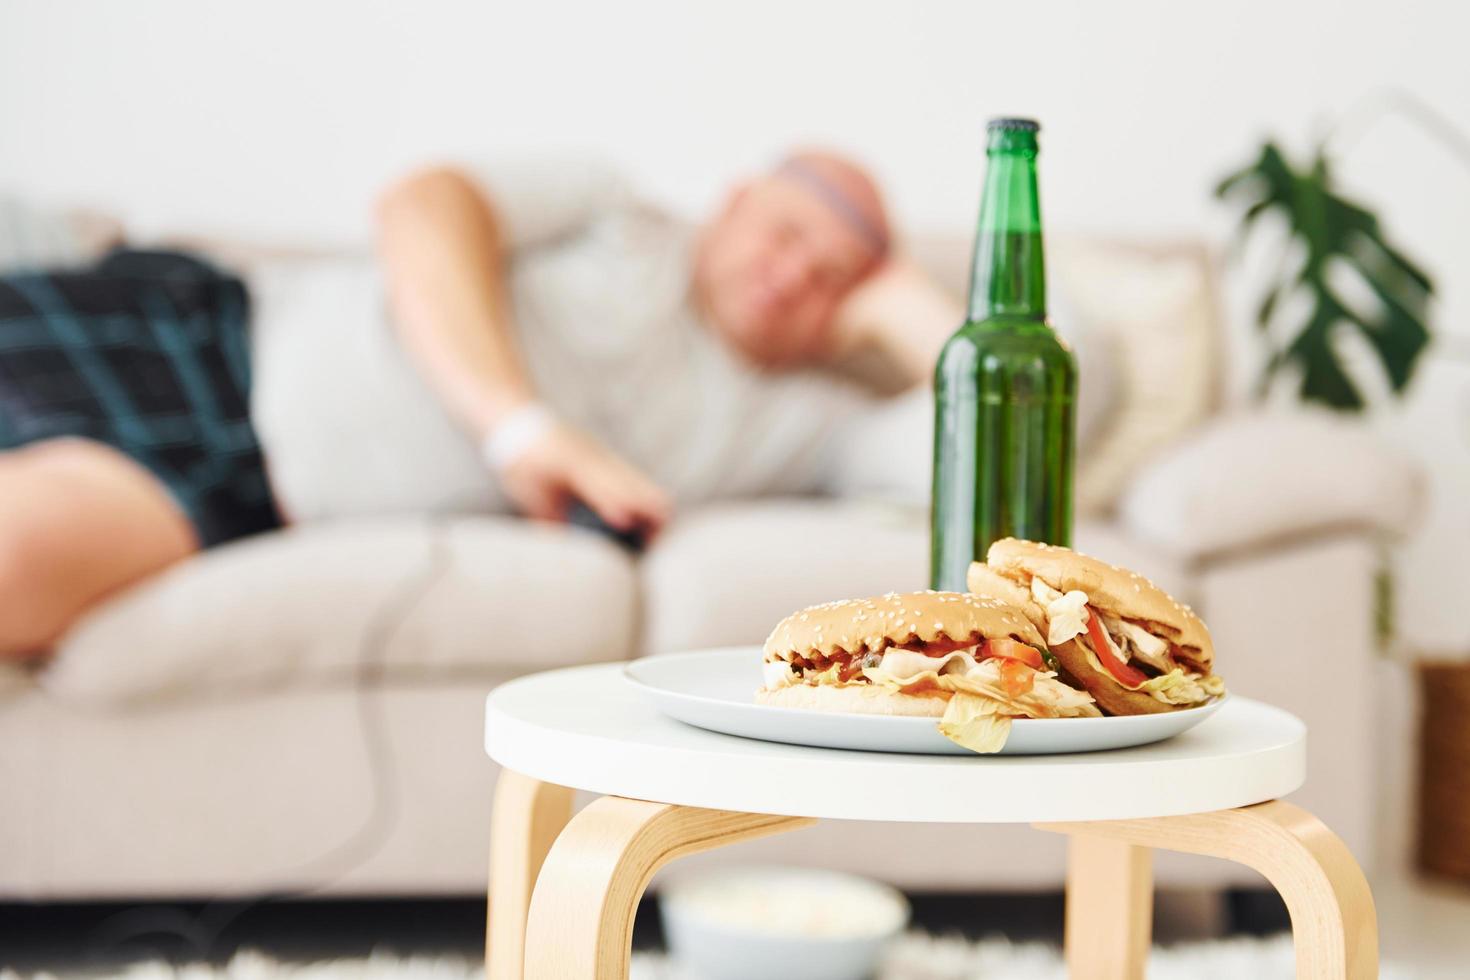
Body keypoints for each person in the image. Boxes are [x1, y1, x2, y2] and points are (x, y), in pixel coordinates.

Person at [0, 151, 959, 660]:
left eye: (831, 277)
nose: (792, 274)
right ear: (735, 199)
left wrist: (898, 298)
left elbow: (1021, 423)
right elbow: (424, 203)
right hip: (209, 332)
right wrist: (523, 429)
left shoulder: (805, 422)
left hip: (228, 486)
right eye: (785, 232)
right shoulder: (612, 208)